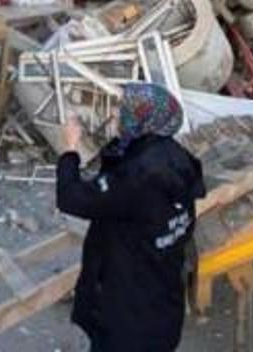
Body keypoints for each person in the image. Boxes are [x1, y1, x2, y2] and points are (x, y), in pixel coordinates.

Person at [56, 83, 206, 352]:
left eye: (121, 109)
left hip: (126, 316)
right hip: (161, 303)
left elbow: (71, 198)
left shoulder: (139, 175)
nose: (114, 114)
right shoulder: (176, 158)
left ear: (142, 118)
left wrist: (69, 150)